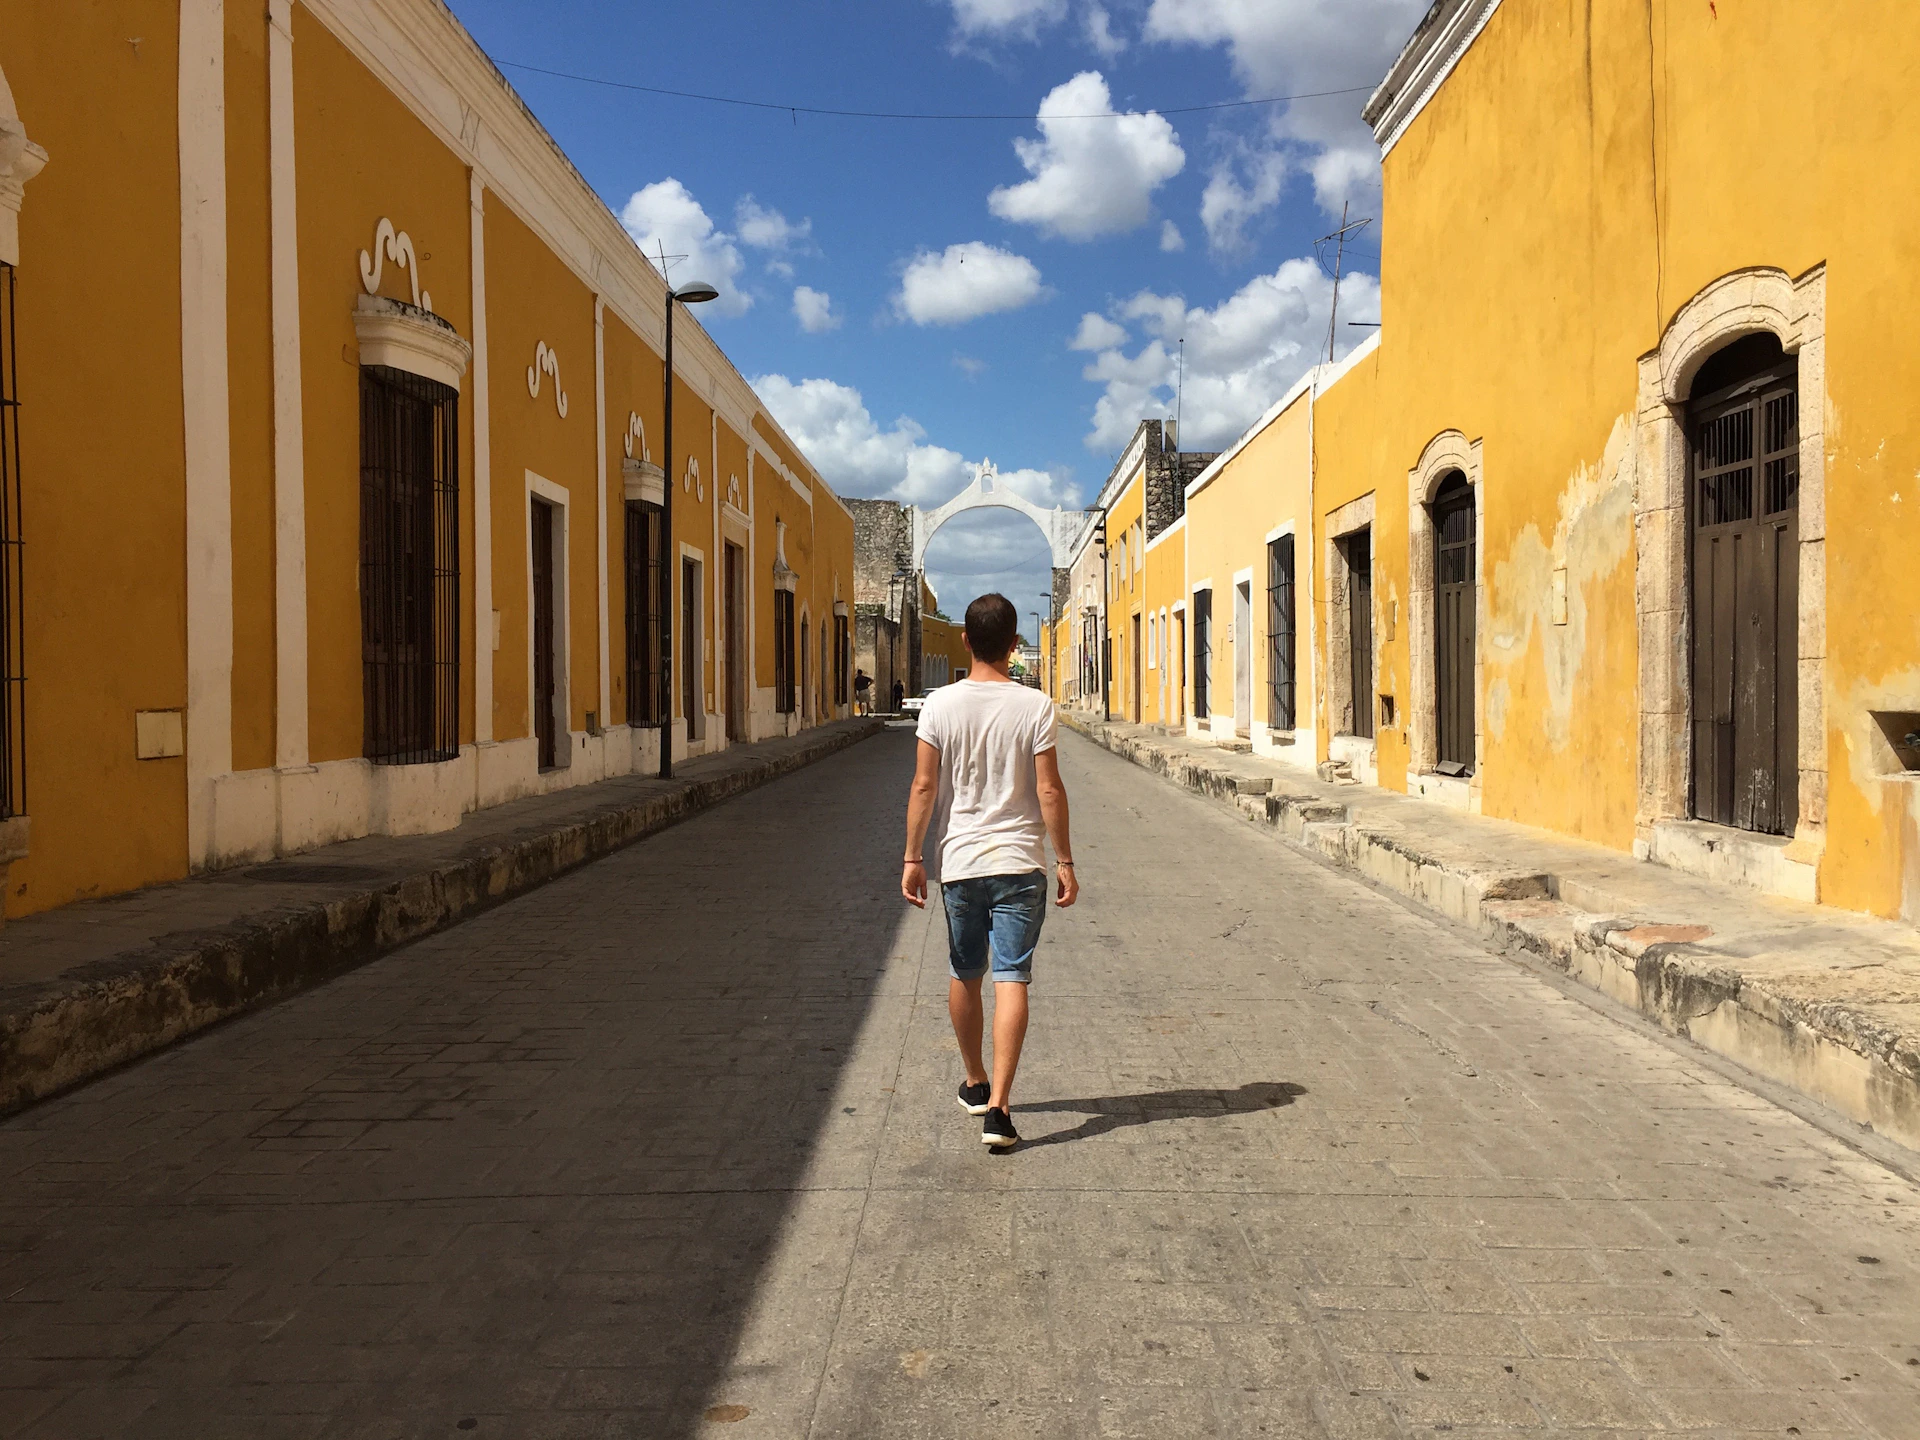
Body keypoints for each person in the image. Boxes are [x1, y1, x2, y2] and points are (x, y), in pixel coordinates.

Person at [902, 593, 1077, 1150]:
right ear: (1014, 642)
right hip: (1021, 862)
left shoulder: (939, 706)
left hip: (960, 863)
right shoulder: (1035, 706)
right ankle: (999, 1110)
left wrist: (912, 857)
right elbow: (1048, 788)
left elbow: (925, 786)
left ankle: (975, 1081)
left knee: (965, 972)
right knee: (1012, 977)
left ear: (964, 640)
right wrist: (1066, 858)